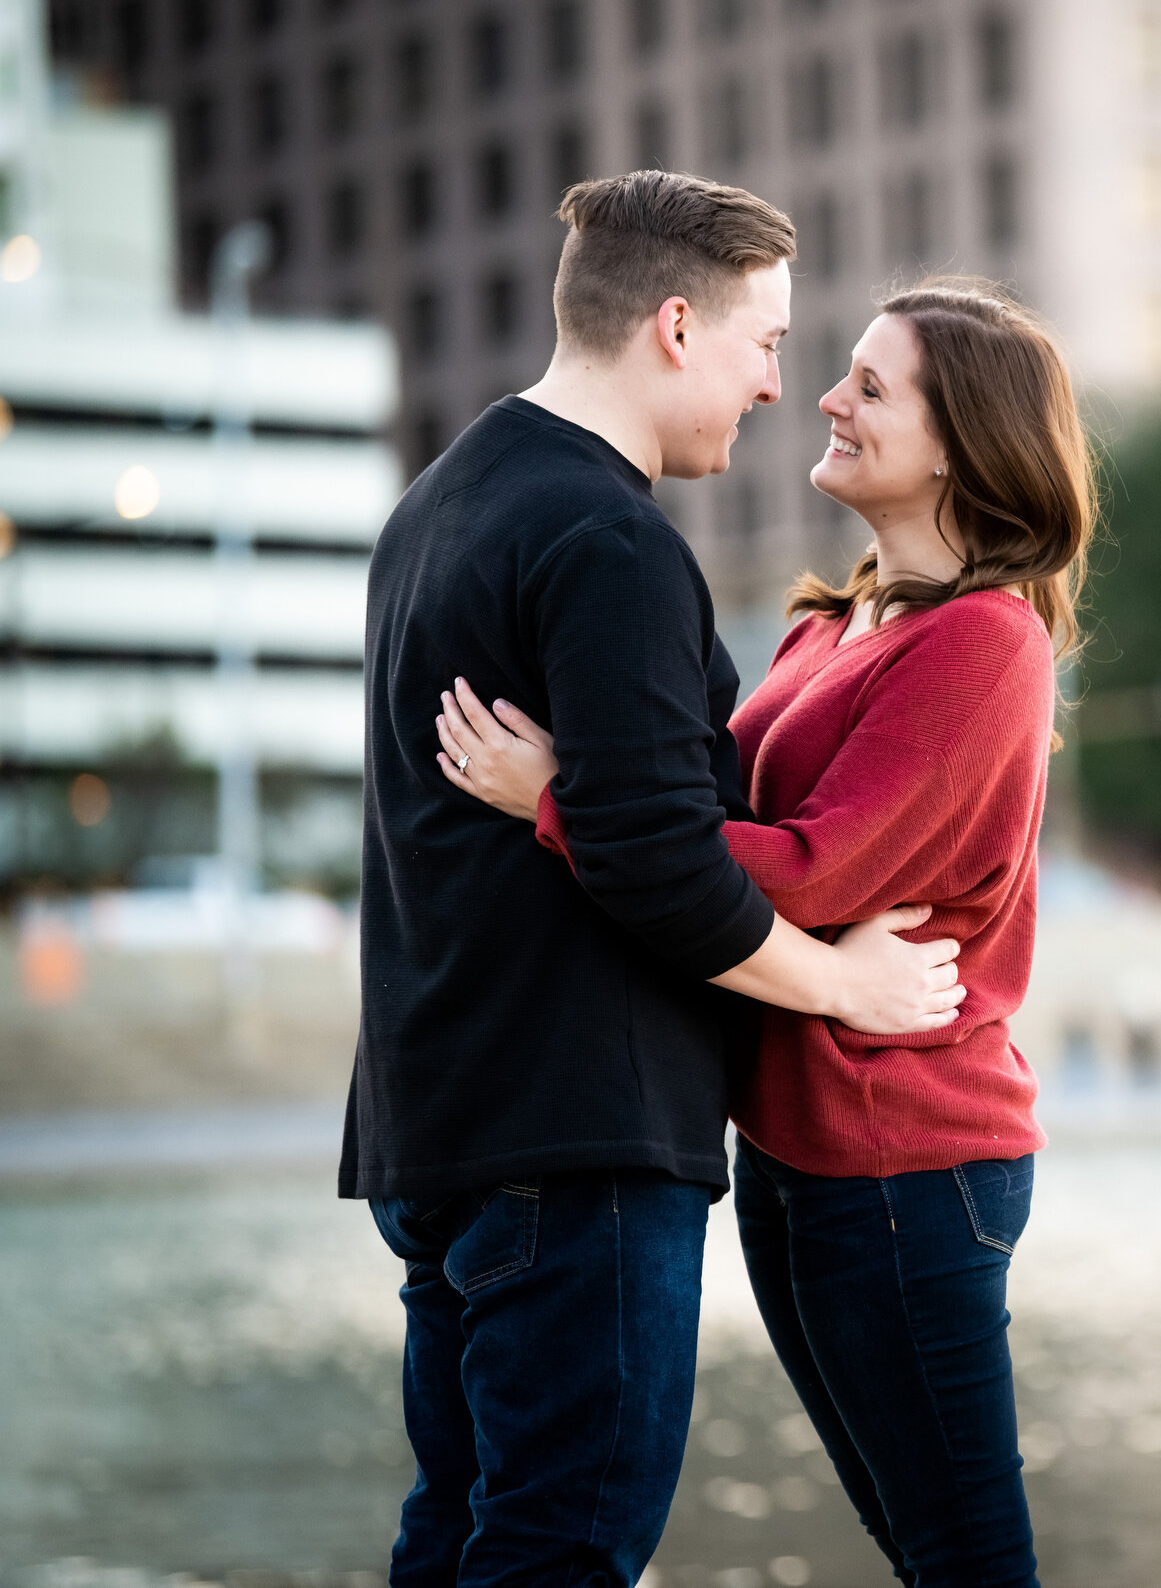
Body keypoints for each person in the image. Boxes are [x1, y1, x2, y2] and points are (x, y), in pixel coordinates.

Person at [348, 171, 965, 1585]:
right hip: (576, 1136)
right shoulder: (610, 540)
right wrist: (847, 985)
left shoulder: (436, 505)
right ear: (677, 328)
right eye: (765, 343)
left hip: (437, 1118)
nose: (775, 386)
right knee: (562, 1549)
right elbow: (657, 860)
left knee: (457, 1535)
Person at [439, 278, 1092, 1588]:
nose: (827, 400)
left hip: (911, 1157)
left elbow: (807, 865)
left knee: (965, 1555)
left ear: (962, 441)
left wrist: (560, 797)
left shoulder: (986, 643)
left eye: (870, 384)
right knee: (916, 1540)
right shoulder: (826, 622)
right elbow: (699, 817)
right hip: (795, 1147)